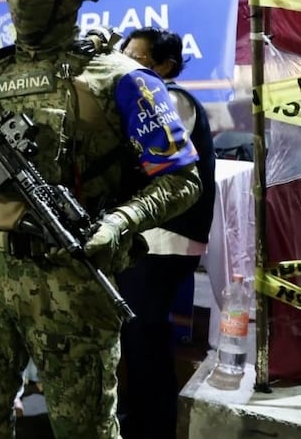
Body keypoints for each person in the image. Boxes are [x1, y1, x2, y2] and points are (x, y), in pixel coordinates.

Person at [0, 0, 201, 438]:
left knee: (84, 429)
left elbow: (181, 179)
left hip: (71, 282)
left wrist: (118, 223)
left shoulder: (122, 78)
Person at [117, 28, 216, 439]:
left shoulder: (169, 98)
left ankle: (151, 426)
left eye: (135, 58)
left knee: (144, 334)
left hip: (164, 237)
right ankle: (138, 419)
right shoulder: (150, 94)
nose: (124, 64)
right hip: (153, 236)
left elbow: (147, 164)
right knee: (139, 333)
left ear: (165, 66)